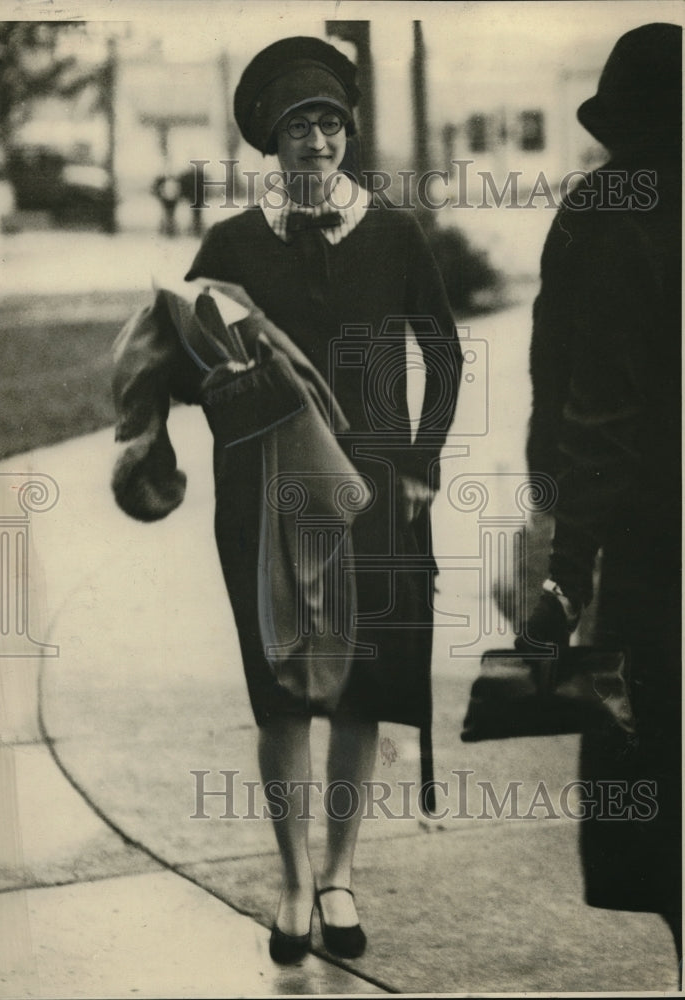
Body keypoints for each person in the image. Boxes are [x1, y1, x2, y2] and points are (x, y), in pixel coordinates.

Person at [183, 36, 462, 963]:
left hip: (373, 494)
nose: (318, 141)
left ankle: (340, 873)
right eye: (300, 125)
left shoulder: (394, 233)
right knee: (280, 696)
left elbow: (444, 353)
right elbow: (189, 368)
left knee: (357, 689)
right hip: (263, 499)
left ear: (348, 133)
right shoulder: (230, 245)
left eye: (331, 123)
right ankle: (294, 881)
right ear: (271, 138)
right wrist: (226, 380)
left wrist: (421, 461)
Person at [519, 22, 681, 967]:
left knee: (657, 792)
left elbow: (586, 406)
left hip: (650, 552)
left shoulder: (604, 214)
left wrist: (563, 568)